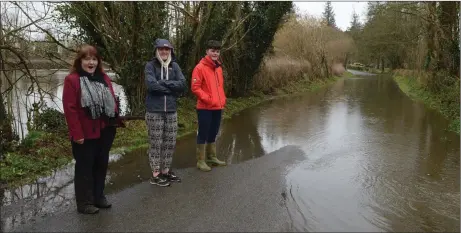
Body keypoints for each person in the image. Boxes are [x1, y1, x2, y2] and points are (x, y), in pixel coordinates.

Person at [62, 45, 123, 214]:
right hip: (85, 132)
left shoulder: (103, 77)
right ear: (80, 61)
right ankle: (84, 202)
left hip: (105, 130)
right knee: (84, 167)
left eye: (94, 59)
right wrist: (77, 134)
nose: (91, 62)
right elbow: (70, 109)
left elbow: (111, 101)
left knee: (101, 164)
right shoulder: (72, 80)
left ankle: (99, 196)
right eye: (87, 59)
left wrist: (114, 120)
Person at [144, 38, 186, 186]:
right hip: (154, 111)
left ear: (170, 51)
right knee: (156, 143)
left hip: (171, 111)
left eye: (167, 49)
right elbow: (151, 86)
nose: (164, 51)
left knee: (170, 142)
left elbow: (182, 84)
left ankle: (166, 171)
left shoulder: (175, 66)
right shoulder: (150, 66)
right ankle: (155, 174)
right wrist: (170, 90)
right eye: (161, 49)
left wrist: (163, 83)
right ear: (156, 50)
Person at [191, 40, 227, 172]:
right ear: (207, 51)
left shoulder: (218, 68)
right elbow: (195, 88)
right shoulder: (199, 68)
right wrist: (209, 99)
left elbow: (219, 87)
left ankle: (212, 157)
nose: (215, 54)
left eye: (217, 51)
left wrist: (222, 99)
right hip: (205, 107)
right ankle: (201, 161)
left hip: (218, 106)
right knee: (203, 132)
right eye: (212, 51)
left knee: (214, 131)